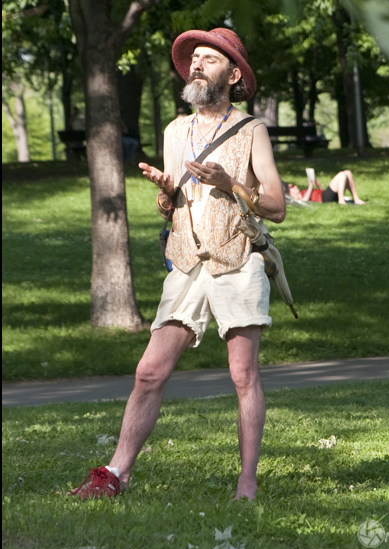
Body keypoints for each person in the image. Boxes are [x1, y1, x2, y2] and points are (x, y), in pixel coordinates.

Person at [70, 28, 286, 502]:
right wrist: (166, 195)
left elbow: (276, 205)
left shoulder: (252, 130)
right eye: (194, 58)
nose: (196, 65)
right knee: (148, 372)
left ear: (232, 75)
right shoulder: (174, 131)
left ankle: (246, 483)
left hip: (236, 261)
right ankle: (116, 474)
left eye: (209, 59)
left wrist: (233, 184)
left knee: (243, 375)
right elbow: (175, 206)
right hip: (186, 264)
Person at [285, 168, 365, 205]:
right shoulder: (300, 198)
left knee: (348, 172)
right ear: (289, 193)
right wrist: (310, 186)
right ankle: (341, 200)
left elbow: (318, 193)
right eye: (292, 187)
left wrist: (318, 186)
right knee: (342, 175)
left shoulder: (303, 192)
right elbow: (304, 201)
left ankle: (356, 198)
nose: (295, 186)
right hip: (324, 198)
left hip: (326, 195)